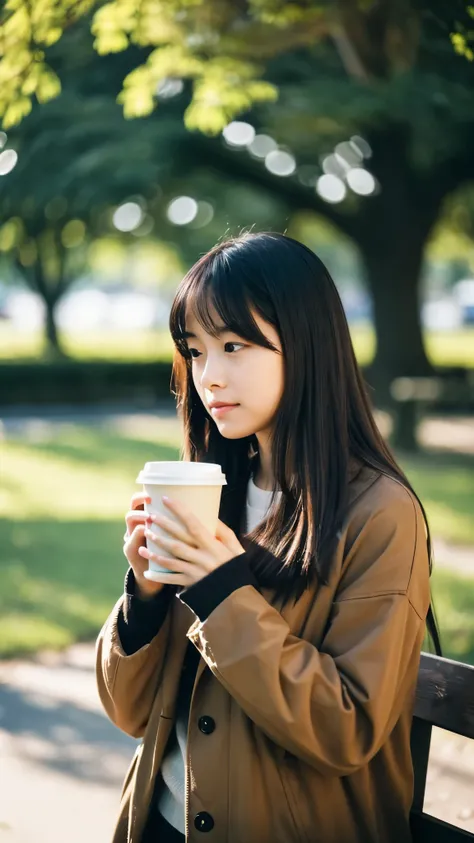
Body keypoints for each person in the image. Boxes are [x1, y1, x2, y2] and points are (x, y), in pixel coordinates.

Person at [96, 232, 441, 843]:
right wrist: (143, 601)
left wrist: (223, 594)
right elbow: (129, 714)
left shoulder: (381, 515)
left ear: (306, 347)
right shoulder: (213, 491)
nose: (209, 376)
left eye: (234, 345)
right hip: (159, 822)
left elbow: (347, 731)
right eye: (195, 350)